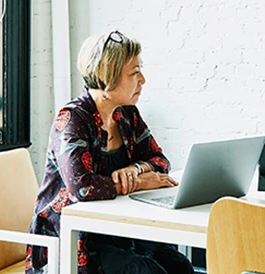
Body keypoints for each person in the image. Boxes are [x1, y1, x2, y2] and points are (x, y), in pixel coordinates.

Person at [26, 30, 194, 274]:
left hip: (117, 230)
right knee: (146, 271)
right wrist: (137, 183)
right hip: (74, 240)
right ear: (108, 77)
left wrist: (135, 169)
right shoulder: (72, 119)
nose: (143, 79)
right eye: (134, 72)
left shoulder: (126, 114)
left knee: (180, 267)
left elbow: (160, 160)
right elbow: (82, 188)